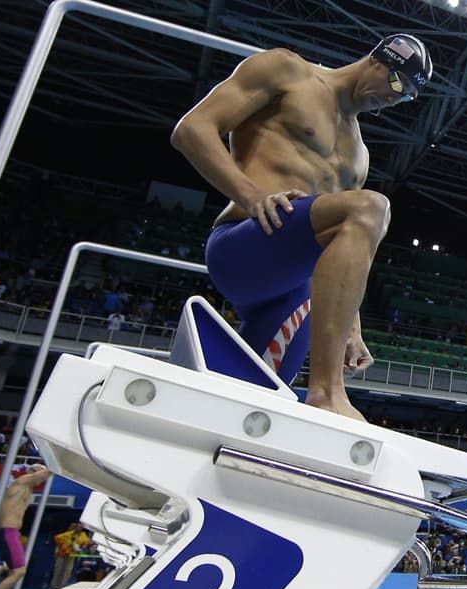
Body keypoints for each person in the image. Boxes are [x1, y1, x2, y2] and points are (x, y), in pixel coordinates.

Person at [171, 34, 434, 421]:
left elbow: (345, 244)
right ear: (378, 59)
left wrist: (351, 327)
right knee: (373, 207)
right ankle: (327, 392)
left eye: (408, 97)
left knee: (250, 401)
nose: (396, 98)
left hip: (296, 288)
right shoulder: (288, 72)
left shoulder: (358, 155)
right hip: (244, 246)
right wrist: (251, 194)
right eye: (397, 84)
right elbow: (192, 129)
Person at [0, 464, 51, 589]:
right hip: (8, 532)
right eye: (41, 478)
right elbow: (44, 473)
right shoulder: (21, 481)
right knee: (19, 571)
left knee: (13, 571)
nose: (42, 482)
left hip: (12, 532)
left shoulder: (27, 489)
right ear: (34, 472)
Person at [51, 521, 90, 589]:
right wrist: (62, 547)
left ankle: (63, 585)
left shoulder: (82, 535)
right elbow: (57, 538)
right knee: (58, 568)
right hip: (62, 554)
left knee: (68, 570)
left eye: (81, 527)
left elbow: (87, 542)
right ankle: (53, 585)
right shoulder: (68, 534)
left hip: (71, 555)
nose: (79, 528)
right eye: (78, 527)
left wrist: (83, 546)